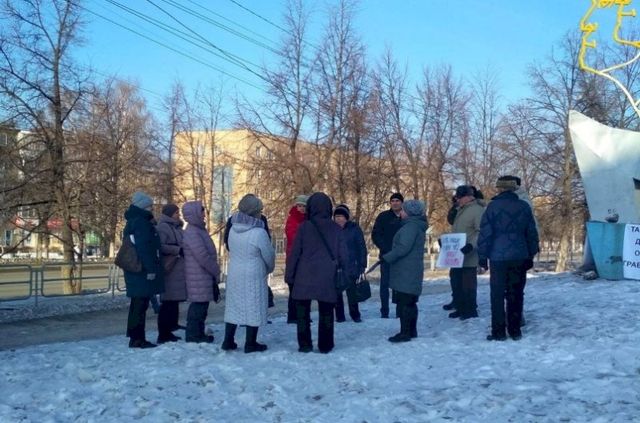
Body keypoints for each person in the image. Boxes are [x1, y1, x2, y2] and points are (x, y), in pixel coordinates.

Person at [285, 192, 349, 354]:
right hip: (327, 276)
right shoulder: (336, 229)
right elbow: (343, 255)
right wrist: (346, 273)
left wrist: (290, 275)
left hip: (304, 275)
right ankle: (325, 345)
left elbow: (295, 253)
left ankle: (304, 344)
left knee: (302, 313)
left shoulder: (304, 228)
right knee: (326, 312)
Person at [478, 176, 539, 341]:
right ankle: (515, 330)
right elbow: (531, 233)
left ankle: (498, 332)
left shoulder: (492, 207)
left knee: (497, 294)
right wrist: (531, 254)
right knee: (516, 293)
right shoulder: (524, 206)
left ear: (499, 189)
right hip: (519, 255)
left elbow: (485, 234)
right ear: (514, 189)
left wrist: (482, 256)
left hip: (498, 256)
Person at [222, 194, 276, 353]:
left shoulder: (233, 229)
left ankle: (228, 340)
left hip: (235, 271)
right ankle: (250, 343)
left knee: (234, 305)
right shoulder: (259, 232)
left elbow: (230, 248)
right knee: (253, 305)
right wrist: (268, 268)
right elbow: (269, 255)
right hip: (254, 272)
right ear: (255, 212)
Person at [382, 200, 428, 343]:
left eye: (403, 210)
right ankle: (411, 330)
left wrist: (387, 257)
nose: (400, 212)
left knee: (405, 302)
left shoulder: (410, 227)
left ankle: (405, 332)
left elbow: (403, 248)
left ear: (409, 213)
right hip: (411, 269)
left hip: (406, 270)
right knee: (410, 302)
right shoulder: (416, 225)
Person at [122, 191, 164, 349]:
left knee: (137, 304)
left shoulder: (134, 220)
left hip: (136, 269)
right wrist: (151, 269)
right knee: (140, 305)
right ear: (142, 206)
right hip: (142, 270)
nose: (152, 208)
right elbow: (144, 248)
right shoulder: (141, 222)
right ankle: (137, 339)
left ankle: (135, 336)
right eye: (149, 206)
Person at [182, 200, 221, 343]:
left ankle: (197, 334)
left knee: (202, 306)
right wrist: (215, 269)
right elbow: (202, 256)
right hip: (198, 275)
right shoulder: (193, 232)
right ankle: (193, 335)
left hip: (201, 275)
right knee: (198, 306)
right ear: (194, 213)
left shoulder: (198, 230)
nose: (204, 214)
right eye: (201, 211)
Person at [448, 185, 485, 320]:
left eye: (460, 197)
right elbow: (456, 228)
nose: (457, 200)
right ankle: (460, 307)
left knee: (468, 283)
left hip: (469, 253)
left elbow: (481, 231)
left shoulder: (477, 210)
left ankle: (470, 309)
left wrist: (471, 245)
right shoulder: (460, 210)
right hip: (457, 254)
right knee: (456, 281)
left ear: (469, 197)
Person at [224, 212, 275, 309]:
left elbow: (228, 243)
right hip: (255, 266)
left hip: (236, 267)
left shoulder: (233, 223)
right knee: (254, 302)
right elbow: (268, 251)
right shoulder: (260, 227)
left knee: (237, 303)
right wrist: (267, 268)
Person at [156, 204, 186, 344]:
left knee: (173, 301)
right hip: (170, 268)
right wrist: (177, 250)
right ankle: (164, 333)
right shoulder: (163, 227)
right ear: (169, 214)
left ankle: (171, 328)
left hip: (178, 269)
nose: (178, 215)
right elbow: (160, 246)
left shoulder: (177, 227)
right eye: (176, 213)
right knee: (168, 302)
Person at [371, 193, 404, 318]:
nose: (395, 203)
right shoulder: (383, 216)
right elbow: (375, 234)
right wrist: (385, 248)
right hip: (386, 255)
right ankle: (384, 311)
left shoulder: (405, 217)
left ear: (401, 203)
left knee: (399, 285)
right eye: (392, 201)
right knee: (384, 284)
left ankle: (399, 311)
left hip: (401, 257)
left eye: (397, 201)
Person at [332, 204, 367, 323]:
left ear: (346, 217)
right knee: (337, 292)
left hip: (351, 266)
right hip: (336, 266)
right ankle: (339, 316)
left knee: (352, 292)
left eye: (341, 216)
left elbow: (361, 247)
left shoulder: (354, 229)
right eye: (336, 216)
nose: (339, 219)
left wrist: (362, 264)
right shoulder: (331, 230)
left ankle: (355, 314)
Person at [284, 194, 308, 323]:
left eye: (303, 206)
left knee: (304, 288)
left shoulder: (308, 219)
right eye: (299, 205)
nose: (301, 208)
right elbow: (293, 237)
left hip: (305, 258)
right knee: (294, 288)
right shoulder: (293, 218)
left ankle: (303, 315)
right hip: (294, 258)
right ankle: (292, 316)